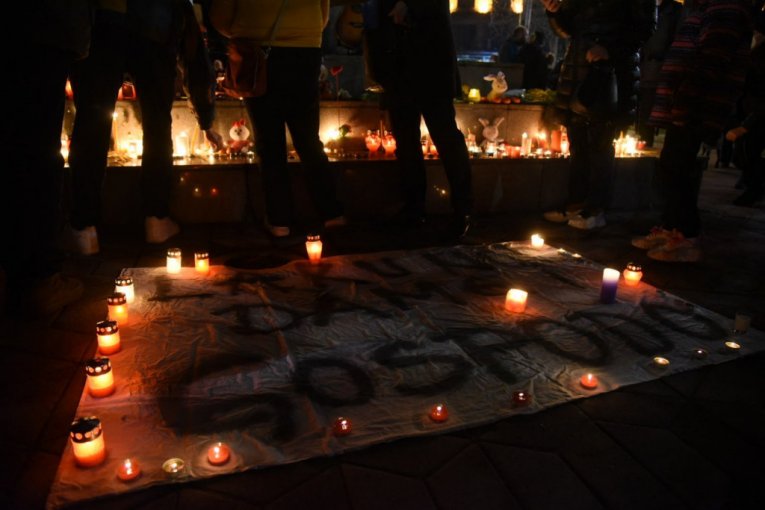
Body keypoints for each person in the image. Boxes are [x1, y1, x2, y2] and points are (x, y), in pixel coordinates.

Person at [67, 0, 223, 254]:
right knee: (157, 123)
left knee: (92, 121)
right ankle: (156, 218)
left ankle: (84, 227)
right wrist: (205, 118)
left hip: (102, 21)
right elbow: (194, 55)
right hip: (155, 23)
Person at [632, 0, 755, 262]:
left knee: (679, 170)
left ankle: (686, 236)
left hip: (696, 105)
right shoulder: (707, 9)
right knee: (671, 166)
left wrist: (685, 102)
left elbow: (712, 60)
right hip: (685, 103)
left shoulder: (726, 10)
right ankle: (670, 228)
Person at [210, 0, 345, 239]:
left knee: (269, 141)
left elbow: (220, 16)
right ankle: (331, 212)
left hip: (257, 51)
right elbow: (323, 15)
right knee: (308, 138)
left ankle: (279, 220)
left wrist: (251, 28)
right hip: (305, 49)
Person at [0, 2, 92, 318]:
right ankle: (39, 279)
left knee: (12, 146)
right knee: (39, 152)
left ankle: (12, 272)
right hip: (45, 28)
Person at [539, 0, 656, 230]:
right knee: (578, 143)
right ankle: (576, 203)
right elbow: (568, 31)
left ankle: (595, 209)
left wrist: (609, 50)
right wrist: (555, 13)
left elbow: (645, 28)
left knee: (600, 144)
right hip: (576, 72)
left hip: (610, 74)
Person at [364, 0, 473, 238]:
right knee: (406, 142)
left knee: (445, 138)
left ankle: (462, 209)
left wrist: (410, 6)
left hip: (430, 61)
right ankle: (414, 207)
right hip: (397, 65)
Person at [727, 9, 765, 207]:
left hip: (757, 114)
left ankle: (755, 189)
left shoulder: (760, 55)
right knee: (744, 152)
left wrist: (746, 125)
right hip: (749, 110)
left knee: (749, 151)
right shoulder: (752, 52)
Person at [637, 0, 683, 148]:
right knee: (640, 109)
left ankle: (646, 146)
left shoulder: (675, 11)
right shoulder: (643, 6)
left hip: (658, 69)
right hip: (641, 67)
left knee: (649, 110)